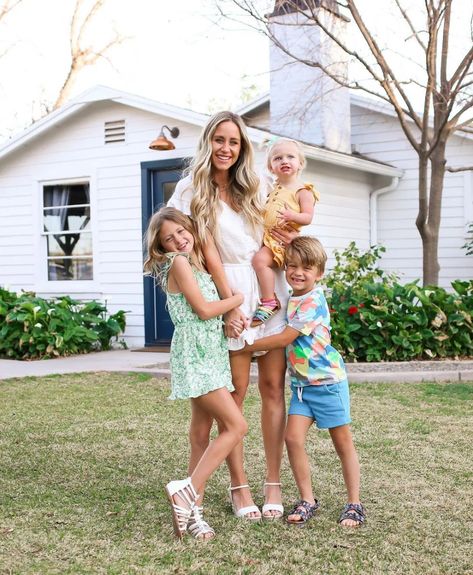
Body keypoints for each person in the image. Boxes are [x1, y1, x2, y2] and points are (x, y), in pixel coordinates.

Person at [168, 111, 293, 521]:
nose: (226, 148)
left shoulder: (256, 186)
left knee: (274, 389)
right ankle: (239, 487)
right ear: (208, 142)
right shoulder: (190, 189)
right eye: (219, 140)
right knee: (235, 395)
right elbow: (195, 249)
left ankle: (273, 481)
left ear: (242, 149)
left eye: (234, 142)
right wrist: (228, 306)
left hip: (267, 286)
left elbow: (278, 228)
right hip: (229, 290)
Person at [236, 236, 366, 528]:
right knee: (292, 439)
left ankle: (354, 503)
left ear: (319, 273)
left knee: (342, 443)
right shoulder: (292, 298)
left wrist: (245, 347)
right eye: (291, 266)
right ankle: (307, 499)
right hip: (302, 388)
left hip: (328, 383)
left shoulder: (313, 299)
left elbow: (285, 338)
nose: (297, 272)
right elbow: (269, 314)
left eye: (306, 268)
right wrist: (249, 323)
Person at [143, 206, 248, 540]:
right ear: (162, 246)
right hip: (197, 357)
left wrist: (231, 320)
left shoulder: (194, 260)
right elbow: (203, 311)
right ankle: (186, 490)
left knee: (200, 434)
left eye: (181, 232)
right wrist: (237, 299)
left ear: (189, 227)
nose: (178, 240)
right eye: (169, 239)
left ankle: (192, 514)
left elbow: (208, 313)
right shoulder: (177, 263)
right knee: (237, 425)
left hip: (211, 352)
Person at [251, 138, 319, 327]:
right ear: (271, 167)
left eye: (290, 157)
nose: (284, 161)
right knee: (259, 261)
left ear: (300, 163)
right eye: (278, 158)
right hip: (268, 239)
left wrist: (292, 215)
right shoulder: (271, 189)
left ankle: (269, 301)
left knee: (259, 261)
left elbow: (308, 217)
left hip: (280, 243)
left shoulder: (303, 190)